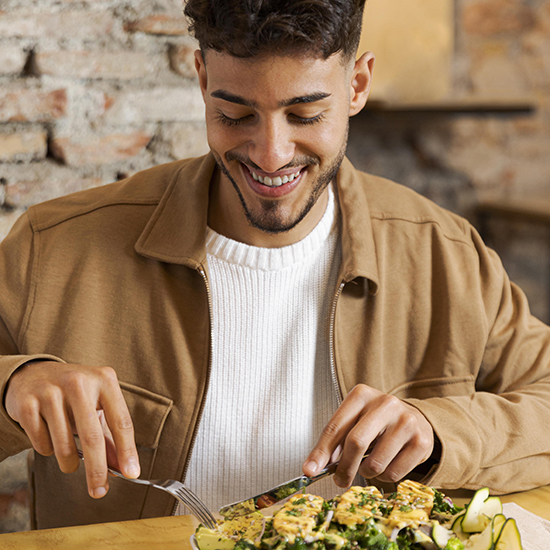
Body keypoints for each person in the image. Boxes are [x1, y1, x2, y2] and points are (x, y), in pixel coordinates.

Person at [1, 0, 550, 530]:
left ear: (357, 85)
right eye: (235, 114)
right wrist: (14, 385)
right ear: (200, 78)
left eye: (306, 114)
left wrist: (441, 432)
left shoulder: (445, 253)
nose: (271, 154)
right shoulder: (55, 246)